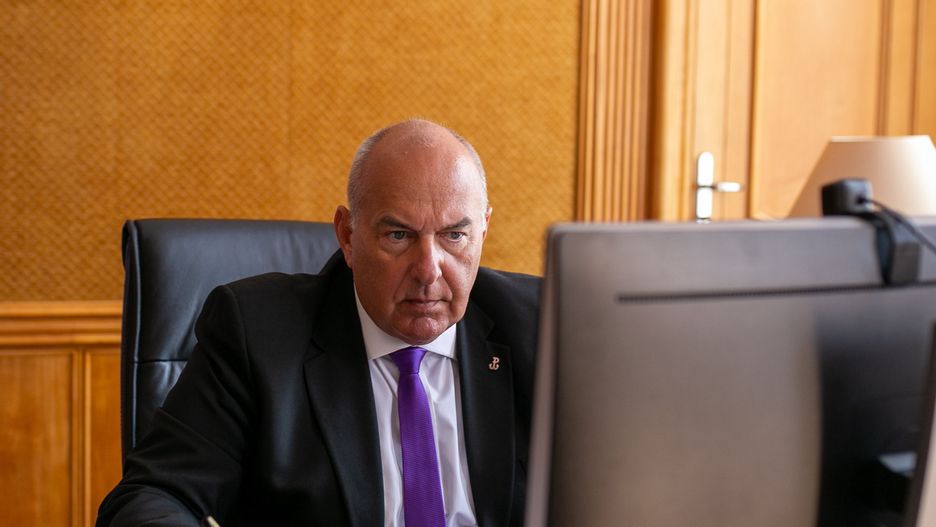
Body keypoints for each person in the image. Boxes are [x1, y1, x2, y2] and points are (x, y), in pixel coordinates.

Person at [97, 119, 541, 526]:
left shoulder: (541, 326)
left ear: (483, 230)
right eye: (398, 235)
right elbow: (152, 496)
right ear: (347, 235)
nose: (428, 269)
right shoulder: (258, 332)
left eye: (454, 235)